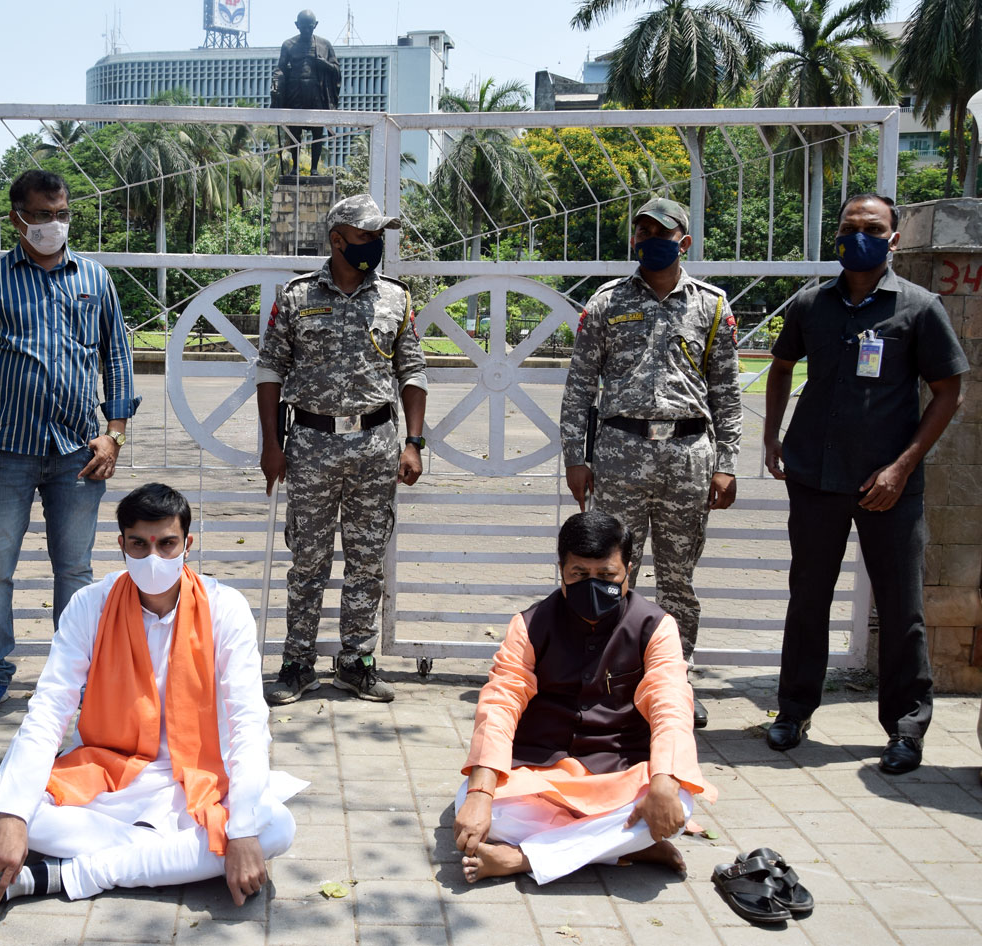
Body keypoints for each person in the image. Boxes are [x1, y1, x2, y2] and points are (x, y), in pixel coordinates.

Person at [0, 483, 303, 905]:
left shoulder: (225, 607)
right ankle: (171, 860)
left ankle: (73, 874)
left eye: (166, 543)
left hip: (202, 778)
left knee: (276, 826)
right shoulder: (89, 605)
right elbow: (50, 708)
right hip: (111, 775)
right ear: (121, 545)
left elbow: (247, 720)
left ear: (187, 545)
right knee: (4, 814)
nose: (154, 557)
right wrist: (13, 815)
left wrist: (240, 831)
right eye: (139, 544)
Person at [763, 193, 967, 775]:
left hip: (889, 486)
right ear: (836, 235)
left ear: (893, 239)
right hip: (815, 477)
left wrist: (902, 466)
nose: (860, 236)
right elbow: (781, 366)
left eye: (873, 228)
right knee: (808, 598)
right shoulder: (811, 304)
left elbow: (949, 391)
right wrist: (771, 436)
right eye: (850, 227)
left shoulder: (919, 308)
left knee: (902, 609)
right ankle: (793, 710)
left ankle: (906, 728)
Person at [0, 169, 140, 720]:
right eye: (43, 215)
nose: (54, 224)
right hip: (5, 453)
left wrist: (114, 436)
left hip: (78, 454)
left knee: (74, 571)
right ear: (17, 218)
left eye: (62, 214)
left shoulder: (94, 279)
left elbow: (117, 361)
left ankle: (73, 679)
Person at [454, 510, 713, 885]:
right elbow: (500, 704)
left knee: (679, 803)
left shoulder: (655, 627)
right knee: (475, 806)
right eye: (579, 575)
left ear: (627, 571)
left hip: (621, 771)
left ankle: (524, 858)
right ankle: (622, 848)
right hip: (540, 770)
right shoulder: (529, 625)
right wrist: (480, 794)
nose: (593, 587)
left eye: (606, 576)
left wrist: (662, 784)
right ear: (561, 571)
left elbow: (671, 706)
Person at [559, 197, 741, 728]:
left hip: (687, 456)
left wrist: (727, 462)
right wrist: (575, 456)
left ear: (684, 241)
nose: (649, 240)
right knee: (610, 573)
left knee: (678, 579)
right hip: (620, 453)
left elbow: (727, 393)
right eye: (642, 232)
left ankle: (673, 682)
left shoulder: (711, 306)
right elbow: (579, 387)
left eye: (661, 233)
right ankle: (610, 681)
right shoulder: (607, 302)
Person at [255, 193, 428, 705]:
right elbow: (270, 371)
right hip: (311, 444)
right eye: (365, 235)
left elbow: (413, 372)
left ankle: (356, 663)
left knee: (367, 559)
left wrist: (414, 443)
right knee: (307, 559)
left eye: (378, 236)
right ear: (337, 239)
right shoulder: (297, 296)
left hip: (376, 445)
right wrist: (271, 444)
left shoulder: (395, 298)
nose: (375, 243)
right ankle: (297, 663)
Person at [270, 9, 340, 175]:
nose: (307, 30)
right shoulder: (288, 45)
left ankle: (314, 169)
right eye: (303, 26)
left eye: (310, 26)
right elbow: (280, 68)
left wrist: (325, 64)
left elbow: (336, 69)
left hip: (317, 91)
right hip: (295, 91)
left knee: (318, 131)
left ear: (315, 25)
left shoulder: (325, 45)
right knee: (295, 131)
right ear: (297, 25)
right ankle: (295, 168)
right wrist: (276, 85)